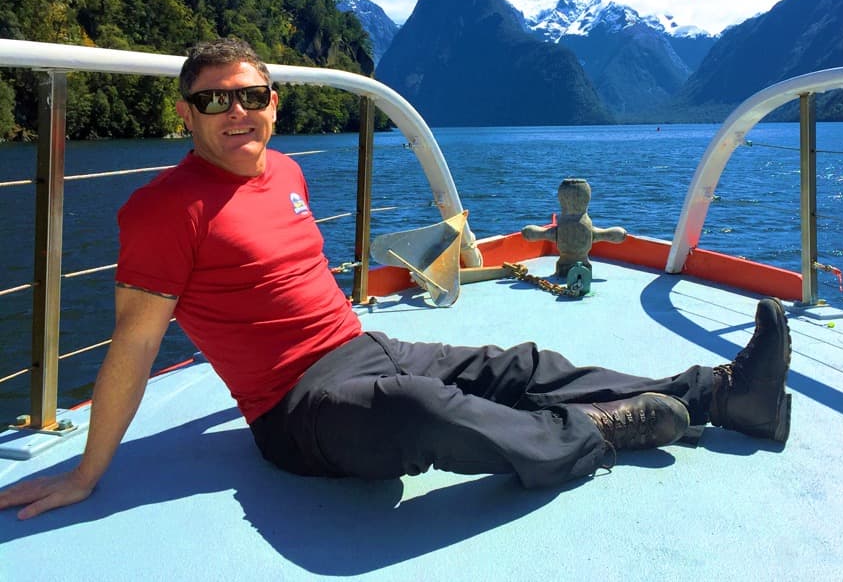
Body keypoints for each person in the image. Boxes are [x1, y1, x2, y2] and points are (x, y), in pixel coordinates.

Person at [0, 38, 792, 519]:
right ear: (187, 114)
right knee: (419, 410)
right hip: (294, 407)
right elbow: (136, 345)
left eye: (250, 96)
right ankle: (596, 433)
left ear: (273, 104)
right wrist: (88, 471)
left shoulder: (286, 175)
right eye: (215, 101)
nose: (236, 112)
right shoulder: (163, 208)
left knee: (517, 364)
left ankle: (722, 396)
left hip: (364, 345)